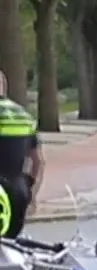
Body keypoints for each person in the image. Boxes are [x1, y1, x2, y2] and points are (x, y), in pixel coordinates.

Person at [0, 73, 42, 237]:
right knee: (11, 248)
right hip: (18, 191)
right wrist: (32, 193)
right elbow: (38, 162)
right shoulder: (24, 116)